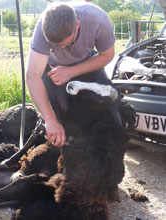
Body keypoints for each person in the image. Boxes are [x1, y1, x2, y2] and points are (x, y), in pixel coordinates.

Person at [26, 1, 115, 147]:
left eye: (67, 43)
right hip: (53, 66)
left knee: (107, 102)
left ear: (78, 25)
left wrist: (71, 71)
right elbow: (33, 75)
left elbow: (107, 56)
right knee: (58, 113)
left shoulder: (98, 20)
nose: (62, 48)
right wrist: (50, 119)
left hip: (87, 62)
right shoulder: (42, 26)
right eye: (56, 44)